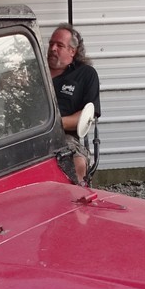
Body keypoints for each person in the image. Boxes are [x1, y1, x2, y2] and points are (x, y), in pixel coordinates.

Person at [47, 25, 100, 182]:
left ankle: (76, 204)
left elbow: (85, 117)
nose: (52, 48)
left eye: (59, 45)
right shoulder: (34, 69)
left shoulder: (85, 74)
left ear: (72, 51)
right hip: (28, 134)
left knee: (77, 163)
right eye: (51, 44)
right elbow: (3, 83)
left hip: (64, 136)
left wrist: (51, 125)